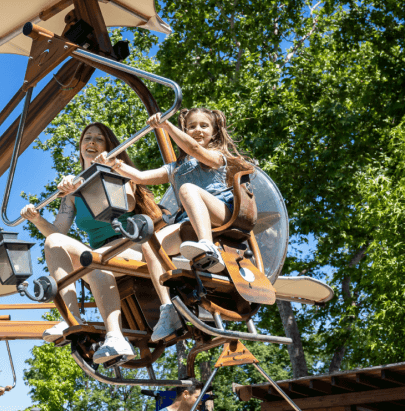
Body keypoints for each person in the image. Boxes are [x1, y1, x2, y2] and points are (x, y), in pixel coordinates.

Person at [21, 122, 165, 363]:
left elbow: (127, 205)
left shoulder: (119, 173)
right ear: (80, 148)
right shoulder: (73, 192)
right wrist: (36, 219)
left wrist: (100, 174)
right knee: (55, 243)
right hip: (99, 254)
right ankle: (71, 319)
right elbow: (57, 232)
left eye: (99, 139)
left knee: (94, 261)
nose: (92, 142)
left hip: (130, 245)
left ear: (108, 148)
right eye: (87, 138)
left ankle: (116, 336)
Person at [99, 108, 246, 340]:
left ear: (215, 131)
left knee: (188, 189)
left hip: (220, 213)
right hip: (190, 222)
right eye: (191, 126)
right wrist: (115, 165)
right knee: (150, 244)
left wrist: (166, 127)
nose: (197, 130)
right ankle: (167, 309)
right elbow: (140, 177)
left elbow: (194, 149)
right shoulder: (176, 168)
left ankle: (208, 247)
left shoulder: (218, 156)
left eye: (203, 126)